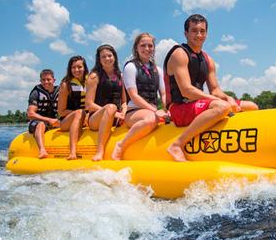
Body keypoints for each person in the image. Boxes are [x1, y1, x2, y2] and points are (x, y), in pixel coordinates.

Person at [163, 14, 258, 161]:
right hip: (179, 108)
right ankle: (177, 144)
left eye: (202, 31)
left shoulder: (208, 60)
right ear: (186, 33)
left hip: (197, 105)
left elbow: (215, 90)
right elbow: (186, 91)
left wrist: (228, 98)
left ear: (206, 33)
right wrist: (222, 102)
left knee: (252, 106)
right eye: (194, 30)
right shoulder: (179, 54)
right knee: (221, 107)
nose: (199, 35)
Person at [111, 32, 168, 160]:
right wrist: (155, 111)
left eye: (150, 46)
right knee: (151, 119)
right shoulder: (130, 67)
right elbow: (134, 95)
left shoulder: (158, 70)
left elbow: (163, 94)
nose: (147, 49)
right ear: (136, 47)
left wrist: (167, 109)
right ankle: (120, 145)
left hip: (152, 111)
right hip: (134, 111)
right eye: (143, 45)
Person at [85, 44, 127, 161]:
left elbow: (124, 102)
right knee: (111, 107)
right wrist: (113, 112)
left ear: (114, 57)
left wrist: (124, 112)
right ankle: (100, 151)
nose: (107, 59)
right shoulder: (94, 76)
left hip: (115, 116)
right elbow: (89, 104)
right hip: (96, 119)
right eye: (103, 57)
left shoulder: (120, 76)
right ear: (99, 59)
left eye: (109, 55)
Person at [58, 55, 88, 160]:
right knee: (79, 113)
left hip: (86, 119)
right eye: (73, 67)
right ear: (69, 69)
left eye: (79, 67)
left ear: (85, 68)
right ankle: (72, 152)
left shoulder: (90, 82)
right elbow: (61, 112)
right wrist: (80, 114)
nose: (76, 70)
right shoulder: (66, 85)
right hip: (66, 121)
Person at [27, 69, 60, 159]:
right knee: (41, 124)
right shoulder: (36, 92)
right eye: (43, 80)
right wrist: (49, 120)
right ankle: (42, 150)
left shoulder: (60, 91)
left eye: (48, 79)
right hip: (36, 122)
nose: (46, 82)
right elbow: (30, 114)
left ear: (54, 80)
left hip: (54, 121)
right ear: (40, 81)